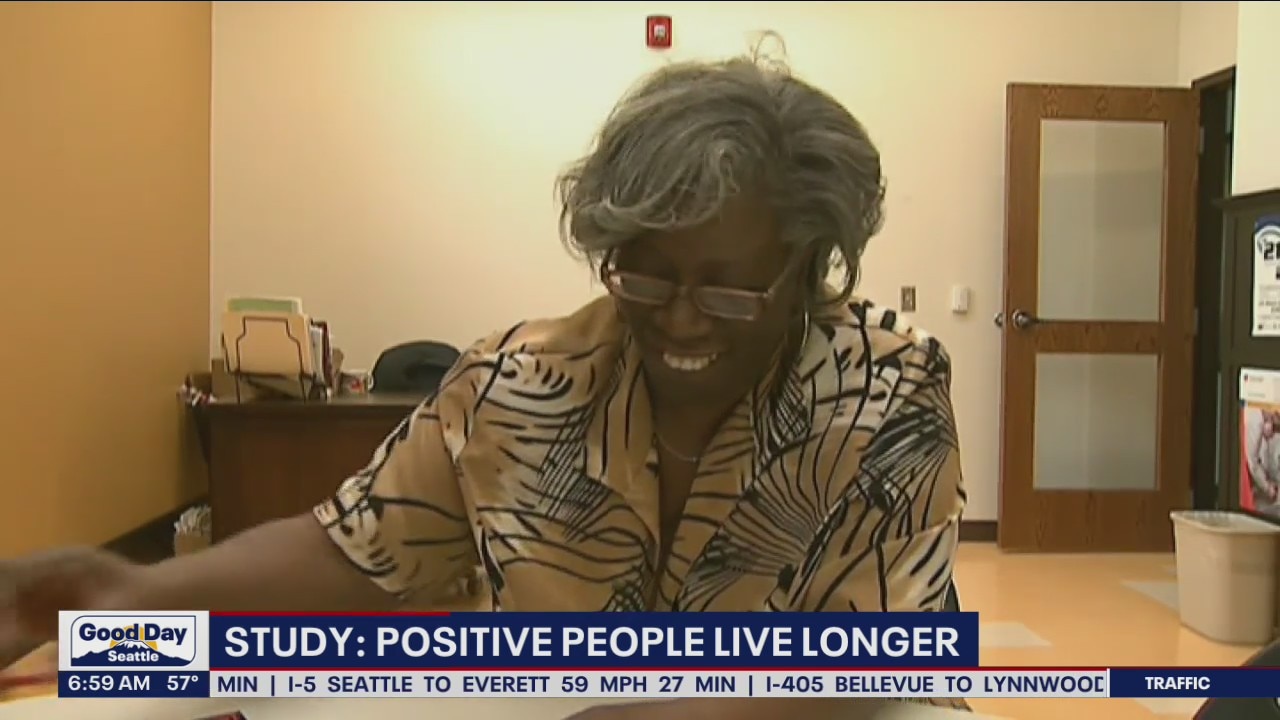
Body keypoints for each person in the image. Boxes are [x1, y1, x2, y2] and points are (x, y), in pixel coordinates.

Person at [0, 43, 968, 718]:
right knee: (157, 689)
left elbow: (880, 650)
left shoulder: (889, 388)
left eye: (726, 290)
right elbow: (355, 548)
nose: (678, 319)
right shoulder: (517, 380)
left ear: (806, 270)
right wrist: (144, 592)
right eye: (646, 277)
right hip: (561, 700)